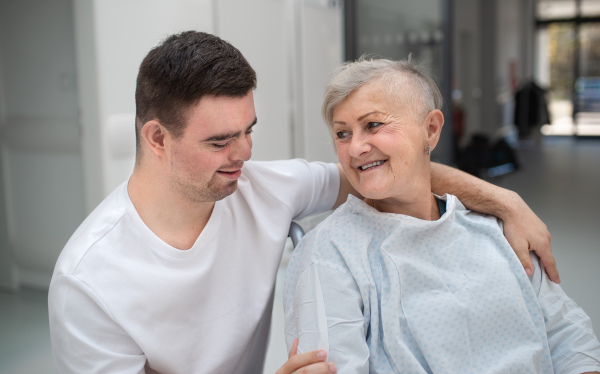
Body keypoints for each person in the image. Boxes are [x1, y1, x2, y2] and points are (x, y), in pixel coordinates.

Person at [48, 31, 557, 374]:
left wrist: (503, 200)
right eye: (220, 141)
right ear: (157, 139)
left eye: (249, 131)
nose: (245, 153)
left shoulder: (260, 186)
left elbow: (388, 173)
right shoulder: (89, 284)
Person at [283, 56, 600, 373]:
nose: (355, 149)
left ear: (431, 130)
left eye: (373, 125)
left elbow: (568, 337)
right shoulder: (330, 254)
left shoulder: (497, 230)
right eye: (342, 134)